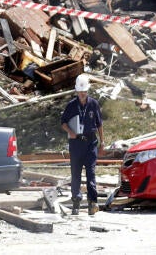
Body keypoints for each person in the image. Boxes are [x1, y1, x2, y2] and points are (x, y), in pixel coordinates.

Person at [60, 73, 104, 215]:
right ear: (77, 91)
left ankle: (92, 203)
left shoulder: (93, 104)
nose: (82, 94)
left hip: (91, 142)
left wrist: (102, 142)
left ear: (87, 90)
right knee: (76, 173)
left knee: (91, 173)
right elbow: (63, 122)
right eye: (80, 92)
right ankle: (76, 202)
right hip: (76, 144)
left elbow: (99, 124)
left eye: (84, 91)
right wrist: (70, 132)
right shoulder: (71, 105)